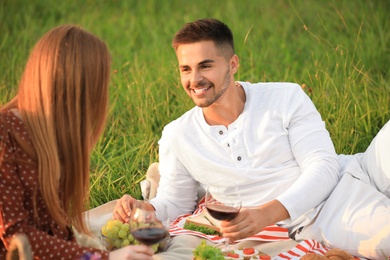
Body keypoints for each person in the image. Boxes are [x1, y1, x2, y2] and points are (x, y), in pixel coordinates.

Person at [113, 18, 389, 259]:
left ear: (233, 64)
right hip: (325, 212)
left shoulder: (285, 96)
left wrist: (264, 214)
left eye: (205, 66)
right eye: (185, 69)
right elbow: (177, 203)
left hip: (351, 172)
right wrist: (145, 207)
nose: (194, 79)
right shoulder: (177, 135)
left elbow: (324, 166)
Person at [0, 25, 154, 260]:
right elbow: (15, 238)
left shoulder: (52, 136)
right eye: (98, 86)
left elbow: (56, 230)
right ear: (76, 89)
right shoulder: (5, 132)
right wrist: (104, 258)